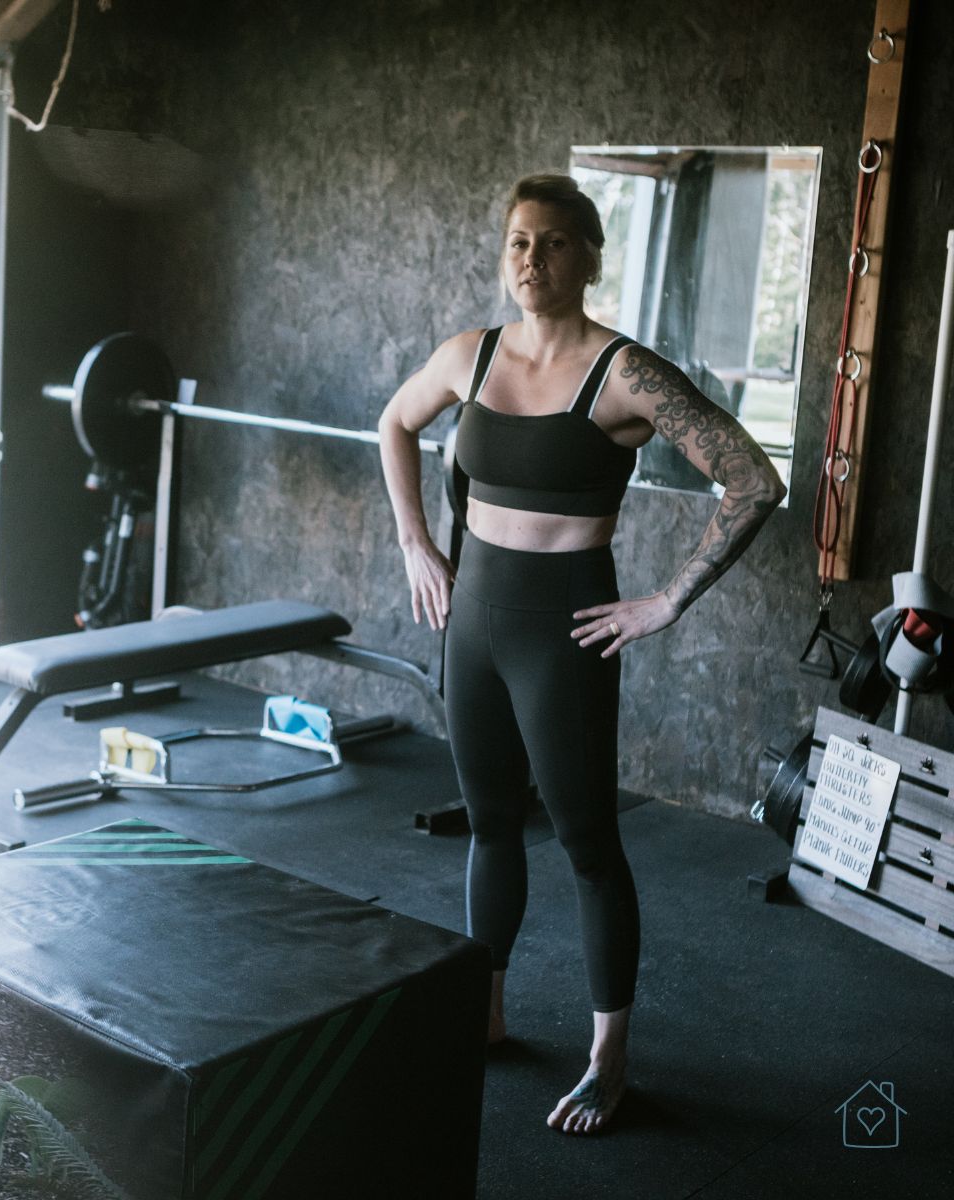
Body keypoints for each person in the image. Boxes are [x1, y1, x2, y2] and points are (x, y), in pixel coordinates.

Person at [377, 173, 786, 1135]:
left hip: (564, 632)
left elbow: (752, 479)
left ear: (589, 257)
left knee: (589, 845)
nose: (532, 259)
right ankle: (486, 1012)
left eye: (554, 242)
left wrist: (665, 602)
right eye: (519, 241)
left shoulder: (625, 374)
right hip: (472, 621)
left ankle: (608, 1060)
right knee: (486, 825)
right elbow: (395, 422)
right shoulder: (468, 356)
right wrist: (414, 542)